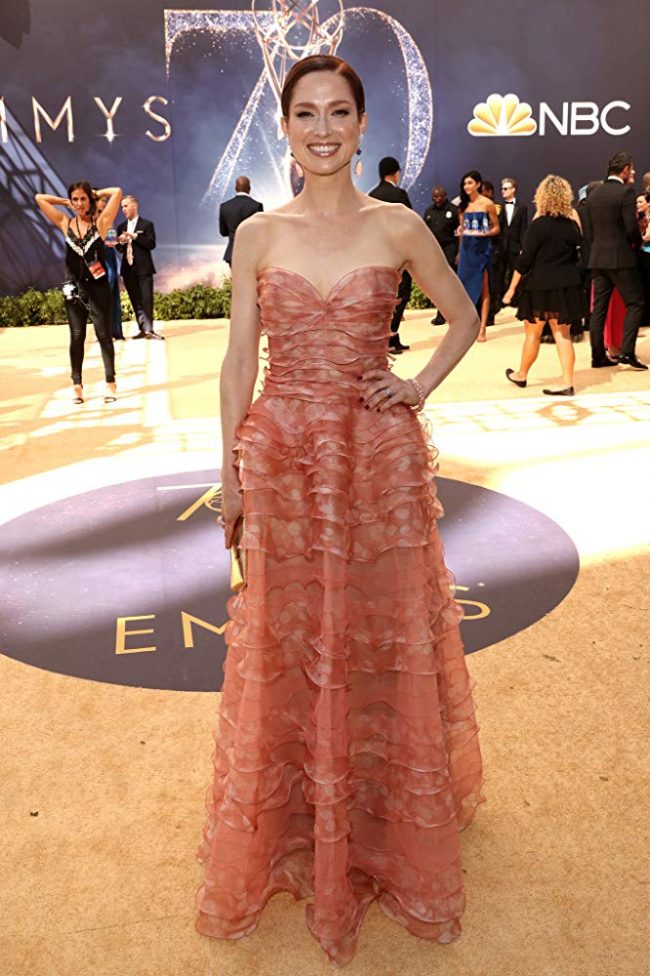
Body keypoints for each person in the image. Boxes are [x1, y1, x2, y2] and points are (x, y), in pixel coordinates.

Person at [196, 54, 483, 968]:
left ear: (363, 126)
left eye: (339, 113)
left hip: (374, 457)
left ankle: (377, 821)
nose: (322, 128)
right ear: (285, 126)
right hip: (281, 457)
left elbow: (466, 315)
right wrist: (232, 472)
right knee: (292, 633)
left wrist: (418, 385)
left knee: (376, 625)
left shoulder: (398, 227)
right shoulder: (259, 236)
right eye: (306, 113)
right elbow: (240, 360)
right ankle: (302, 819)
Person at [35, 181, 121, 403]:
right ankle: (77, 385)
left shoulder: (100, 223)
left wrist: (97, 193)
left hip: (98, 287)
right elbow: (39, 198)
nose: (80, 203)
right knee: (76, 336)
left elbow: (117, 192)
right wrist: (64, 202)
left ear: (90, 200)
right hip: (73, 288)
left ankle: (110, 384)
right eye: (75, 199)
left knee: (103, 335)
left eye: (83, 199)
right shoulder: (65, 222)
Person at [503, 175, 585, 396]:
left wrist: (510, 290)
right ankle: (567, 382)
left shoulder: (538, 226)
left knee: (533, 333)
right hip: (567, 286)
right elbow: (579, 254)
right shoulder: (571, 227)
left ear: (541, 197)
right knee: (563, 335)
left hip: (539, 286)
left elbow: (524, 261)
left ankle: (521, 374)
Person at [582, 152, 646, 369]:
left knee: (598, 309)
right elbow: (630, 227)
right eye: (633, 169)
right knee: (636, 302)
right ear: (625, 169)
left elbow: (589, 232)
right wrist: (637, 245)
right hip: (621, 258)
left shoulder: (593, 195)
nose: (634, 173)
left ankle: (598, 356)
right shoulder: (626, 192)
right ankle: (627, 352)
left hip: (598, 259)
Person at [368, 156, 413, 353]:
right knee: (401, 294)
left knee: (382, 297)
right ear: (395, 173)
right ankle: (390, 337)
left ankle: (391, 339)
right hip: (398, 253)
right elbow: (409, 223)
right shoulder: (399, 194)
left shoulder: (371, 195)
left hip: (377, 252)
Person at [456, 170, 500, 341]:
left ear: (478, 184)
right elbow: (462, 230)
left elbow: (497, 228)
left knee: (484, 290)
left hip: (482, 250)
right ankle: (465, 328)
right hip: (467, 251)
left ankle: (482, 329)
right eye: (465, 183)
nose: (467, 186)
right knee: (463, 291)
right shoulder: (463, 206)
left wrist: (485, 233)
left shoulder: (488, 204)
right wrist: (460, 251)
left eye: (470, 183)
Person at [116, 195, 163, 340]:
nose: (123, 209)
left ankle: (150, 330)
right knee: (135, 300)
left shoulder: (146, 225)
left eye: (126, 206)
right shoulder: (121, 227)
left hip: (144, 268)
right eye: (122, 207)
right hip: (128, 269)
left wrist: (135, 236)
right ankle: (142, 328)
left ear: (134, 206)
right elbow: (119, 249)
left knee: (146, 299)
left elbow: (151, 244)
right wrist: (121, 242)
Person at [423, 185, 459, 324]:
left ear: (445, 195)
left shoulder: (454, 210)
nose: (437, 199)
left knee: (448, 282)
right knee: (437, 283)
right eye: (434, 197)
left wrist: (459, 252)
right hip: (434, 250)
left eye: (439, 196)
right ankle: (441, 313)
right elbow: (424, 232)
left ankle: (450, 313)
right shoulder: (429, 211)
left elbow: (459, 233)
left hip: (450, 249)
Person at [95, 192, 124, 340]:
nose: (104, 203)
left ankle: (116, 331)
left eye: (105, 201)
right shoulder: (89, 219)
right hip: (96, 257)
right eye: (101, 200)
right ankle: (103, 331)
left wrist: (118, 240)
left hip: (109, 254)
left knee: (112, 292)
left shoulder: (108, 217)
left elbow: (111, 241)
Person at [219, 176, 264, 266]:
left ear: (236, 188)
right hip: (251, 254)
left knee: (236, 279)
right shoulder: (256, 206)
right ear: (249, 189)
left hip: (232, 253)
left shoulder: (225, 206)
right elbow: (259, 232)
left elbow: (223, 232)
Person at [499, 177, 529, 304]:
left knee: (515, 273)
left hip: (515, 246)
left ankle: (516, 300)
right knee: (499, 273)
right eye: (502, 189)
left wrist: (523, 247)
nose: (502, 191)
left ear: (513, 190)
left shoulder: (522, 207)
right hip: (501, 246)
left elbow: (524, 228)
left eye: (505, 188)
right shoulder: (498, 207)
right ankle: (499, 300)